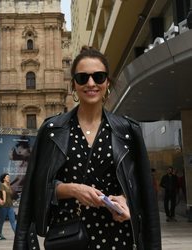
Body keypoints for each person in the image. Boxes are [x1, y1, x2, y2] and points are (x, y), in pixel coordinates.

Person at [13, 46, 161, 250]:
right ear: (73, 84)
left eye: (98, 77)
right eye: (82, 78)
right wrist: (70, 189)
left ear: (107, 82)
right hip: (67, 239)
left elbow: (146, 196)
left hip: (118, 239)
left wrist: (126, 200)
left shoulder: (127, 130)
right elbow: (34, 191)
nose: (91, 83)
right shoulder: (52, 130)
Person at [0, 173, 16, 240]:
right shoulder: (2, 185)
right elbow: (4, 194)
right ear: (4, 179)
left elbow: (11, 195)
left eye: (9, 177)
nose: (9, 178)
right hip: (3, 206)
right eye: (7, 177)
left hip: (10, 206)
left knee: (13, 221)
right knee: (1, 221)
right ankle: (0, 234)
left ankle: (17, 235)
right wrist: (4, 201)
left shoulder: (9, 185)